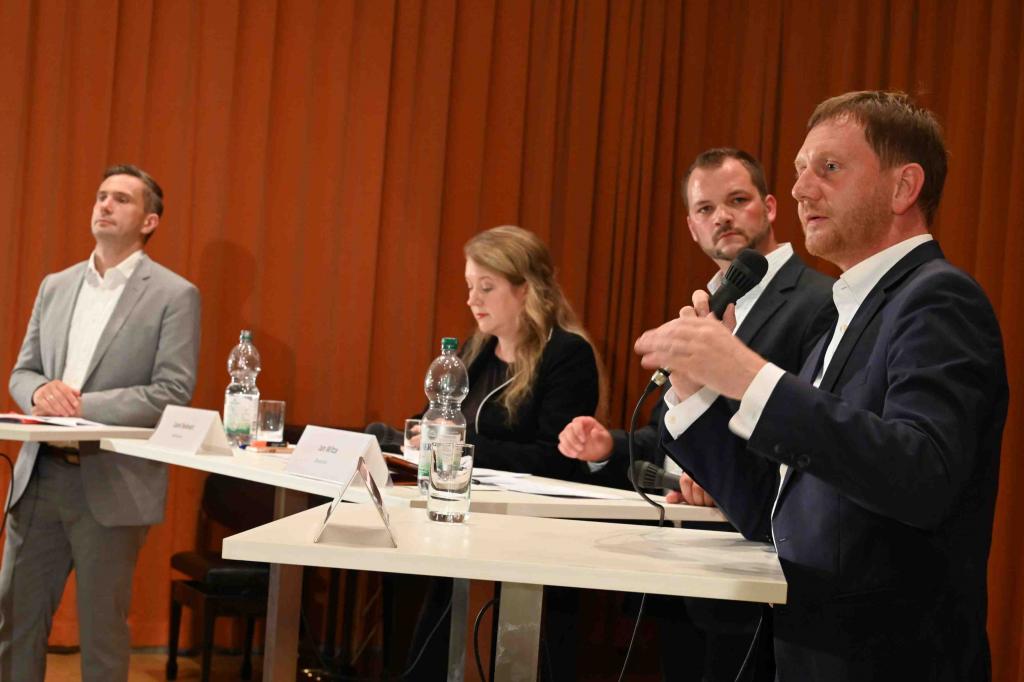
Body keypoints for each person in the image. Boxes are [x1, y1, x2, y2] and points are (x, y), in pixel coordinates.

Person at [635, 91, 1007, 681]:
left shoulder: (938, 299)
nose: (803, 189)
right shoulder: (843, 313)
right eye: (800, 171)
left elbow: (923, 475)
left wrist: (749, 376)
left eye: (828, 168)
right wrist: (696, 390)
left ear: (903, 187)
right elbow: (775, 512)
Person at [558, 148, 835, 682]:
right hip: (695, 571)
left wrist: (715, 471)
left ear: (771, 207)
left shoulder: (818, 301)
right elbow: (675, 440)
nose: (721, 218)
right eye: (705, 209)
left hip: (767, 577)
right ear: (691, 227)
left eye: (737, 201)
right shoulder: (707, 304)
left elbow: (805, 432)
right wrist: (612, 447)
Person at [0, 165, 202, 682]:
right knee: (15, 622)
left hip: (111, 483)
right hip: (39, 476)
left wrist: (80, 404)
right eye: (101, 196)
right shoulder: (56, 285)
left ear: (149, 220)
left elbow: (171, 393)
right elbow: (23, 372)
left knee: (102, 634)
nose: (105, 206)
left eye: (122, 200)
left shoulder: (175, 295)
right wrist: (39, 391)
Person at [401, 224, 605, 679]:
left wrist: (461, 450)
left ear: (525, 289)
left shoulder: (567, 355)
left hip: (532, 538)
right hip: (465, 523)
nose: (473, 300)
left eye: (487, 288)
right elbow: (435, 418)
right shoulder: (476, 351)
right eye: (470, 287)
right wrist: (418, 438)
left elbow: (555, 458)